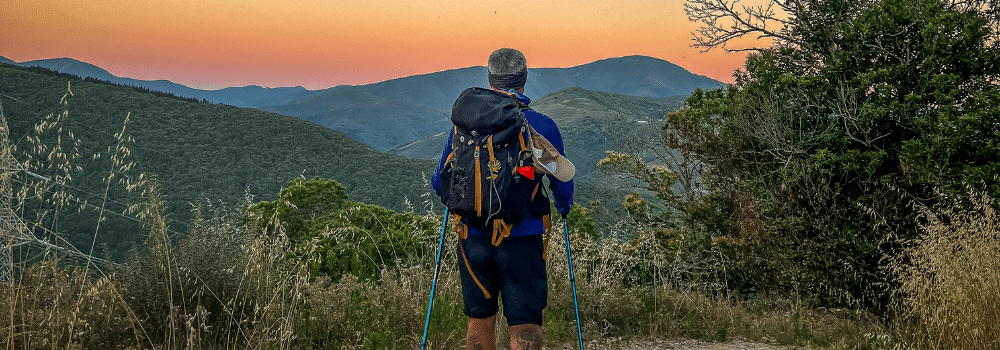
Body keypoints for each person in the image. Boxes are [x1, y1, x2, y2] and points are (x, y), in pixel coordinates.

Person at [432, 48, 574, 350]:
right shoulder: (541, 125)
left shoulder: (465, 126)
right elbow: (563, 178)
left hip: (473, 237)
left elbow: (438, 180)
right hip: (523, 237)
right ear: (524, 79)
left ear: (489, 79)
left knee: (478, 323)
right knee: (525, 324)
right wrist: (563, 208)